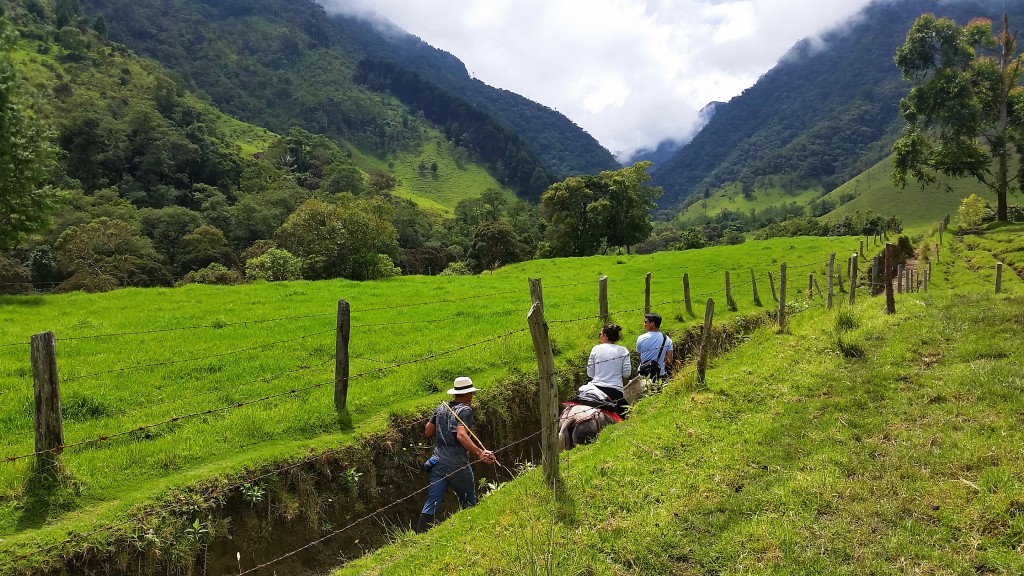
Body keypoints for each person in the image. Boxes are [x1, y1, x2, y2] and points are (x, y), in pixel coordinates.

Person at [416, 376, 496, 533]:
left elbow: (428, 431)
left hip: (437, 463)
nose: (472, 397)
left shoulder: (441, 407)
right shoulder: (465, 410)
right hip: (457, 464)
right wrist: (480, 453)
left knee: (432, 501)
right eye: (471, 394)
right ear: (466, 395)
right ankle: (471, 530)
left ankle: (420, 534)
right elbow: (461, 435)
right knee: (468, 500)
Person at [584, 323, 632, 417]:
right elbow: (627, 374)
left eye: (600, 334)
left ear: (605, 336)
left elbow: (590, 373)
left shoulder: (595, 349)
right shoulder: (623, 351)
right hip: (614, 392)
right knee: (629, 416)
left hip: (594, 388)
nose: (599, 337)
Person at [636, 313, 673, 383]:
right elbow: (669, 361)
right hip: (660, 375)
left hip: (643, 375)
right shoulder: (667, 340)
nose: (644, 324)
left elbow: (639, 356)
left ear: (652, 323)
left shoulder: (641, 338)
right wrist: (661, 365)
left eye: (645, 322)